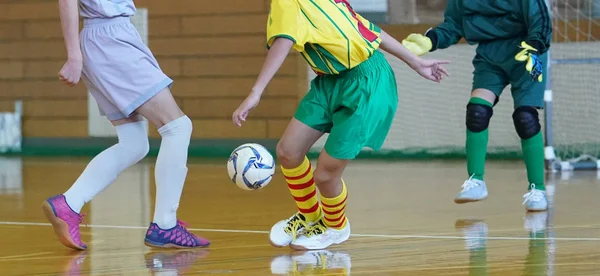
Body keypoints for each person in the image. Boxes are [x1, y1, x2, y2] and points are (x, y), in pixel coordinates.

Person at [232, 0, 449, 250]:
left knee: (325, 175)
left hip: (366, 83)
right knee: (288, 152)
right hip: (328, 81)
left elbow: (368, 32)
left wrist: (256, 92)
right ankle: (310, 217)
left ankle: (336, 226)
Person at [41, 0, 210, 250]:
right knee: (177, 127)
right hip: (110, 40)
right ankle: (165, 225)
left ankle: (69, 204)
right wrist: (73, 55)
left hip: (107, 38)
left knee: (134, 143)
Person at [401, 0, 551, 211]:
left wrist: (535, 45)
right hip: (490, 56)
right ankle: (476, 181)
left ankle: (538, 189)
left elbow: (541, 22)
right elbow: (453, 26)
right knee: (477, 112)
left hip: (528, 53)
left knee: (525, 117)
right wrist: (430, 40)